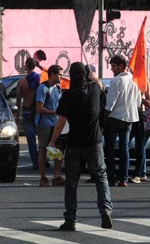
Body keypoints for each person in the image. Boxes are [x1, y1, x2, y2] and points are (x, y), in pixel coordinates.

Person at [48, 62, 112, 231]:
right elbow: (100, 84)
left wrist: (53, 141)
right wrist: (92, 74)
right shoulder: (94, 90)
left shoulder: (68, 96)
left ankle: (71, 218)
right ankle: (105, 209)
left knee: (71, 182)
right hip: (94, 142)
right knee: (100, 177)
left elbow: (61, 122)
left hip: (75, 143)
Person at [104, 55, 141, 187]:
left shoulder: (116, 80)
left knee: (109, 148)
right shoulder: (134, 80)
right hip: (129, 118)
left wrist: (105, 116)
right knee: (124, 148)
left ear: (121, 66)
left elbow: (111, 102)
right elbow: (138, 102)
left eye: (113, 66)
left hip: (115, 117)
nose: (112, 69)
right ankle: (123, 178)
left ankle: (111, 177)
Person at [36, 65, 64, 187]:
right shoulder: (43, 88)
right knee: (43, 149)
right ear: (52, 74)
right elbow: (39, 108)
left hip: (56, 123)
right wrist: (55, 112)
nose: (61, 77)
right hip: (44, 124)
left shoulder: (58, 88)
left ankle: (56, 176)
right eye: (59, 74)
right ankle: (43, 178)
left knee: (58, 149)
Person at [16, 58, 40, 169]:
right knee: (42, 138)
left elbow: (18, 99)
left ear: (26, 66)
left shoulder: (22, 82)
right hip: (37, 110)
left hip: (26, 109)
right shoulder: (39, 79)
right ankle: (43, 160)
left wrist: (17, 116)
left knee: (31, 139)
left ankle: (36, 162)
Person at [129, 79, 150, 183]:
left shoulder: (144, 81)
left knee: (140, 145)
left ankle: (139, 173)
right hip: (128, 115)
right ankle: (134, 172)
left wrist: (140, 98)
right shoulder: (129, 79)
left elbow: (149, 102)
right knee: (125, 144)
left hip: (140, 116)